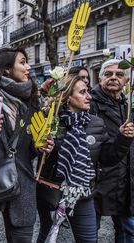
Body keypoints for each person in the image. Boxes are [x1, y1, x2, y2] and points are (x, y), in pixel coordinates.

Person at [0, 48, 54, 243]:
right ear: (6, 69)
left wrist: (40, 147)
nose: (28, 67)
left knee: (22, 238)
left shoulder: (31, 99)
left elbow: (28, 148)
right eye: (22, 62)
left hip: (21, 182)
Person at [36, 75, 134, 243]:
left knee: (89, 240)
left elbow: (108, 158)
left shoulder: (96, 123)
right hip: (52, 195)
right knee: (47, 237)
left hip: (83, 194)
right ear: (67, 97)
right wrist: (44, 150)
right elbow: (38, 157)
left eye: (88, 91)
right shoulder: (50, 122)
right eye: (82, 92)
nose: (89, 96)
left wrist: (122, 139)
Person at [90, 59, 134, 242]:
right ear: (100, 79)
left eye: (119, 74)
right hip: (97, 182)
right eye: (108, 74)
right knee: (90, 234)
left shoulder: (128, 105)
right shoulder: (89, 103)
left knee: (128, 233)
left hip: (125, 182)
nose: (114, 78)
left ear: (126, 81)